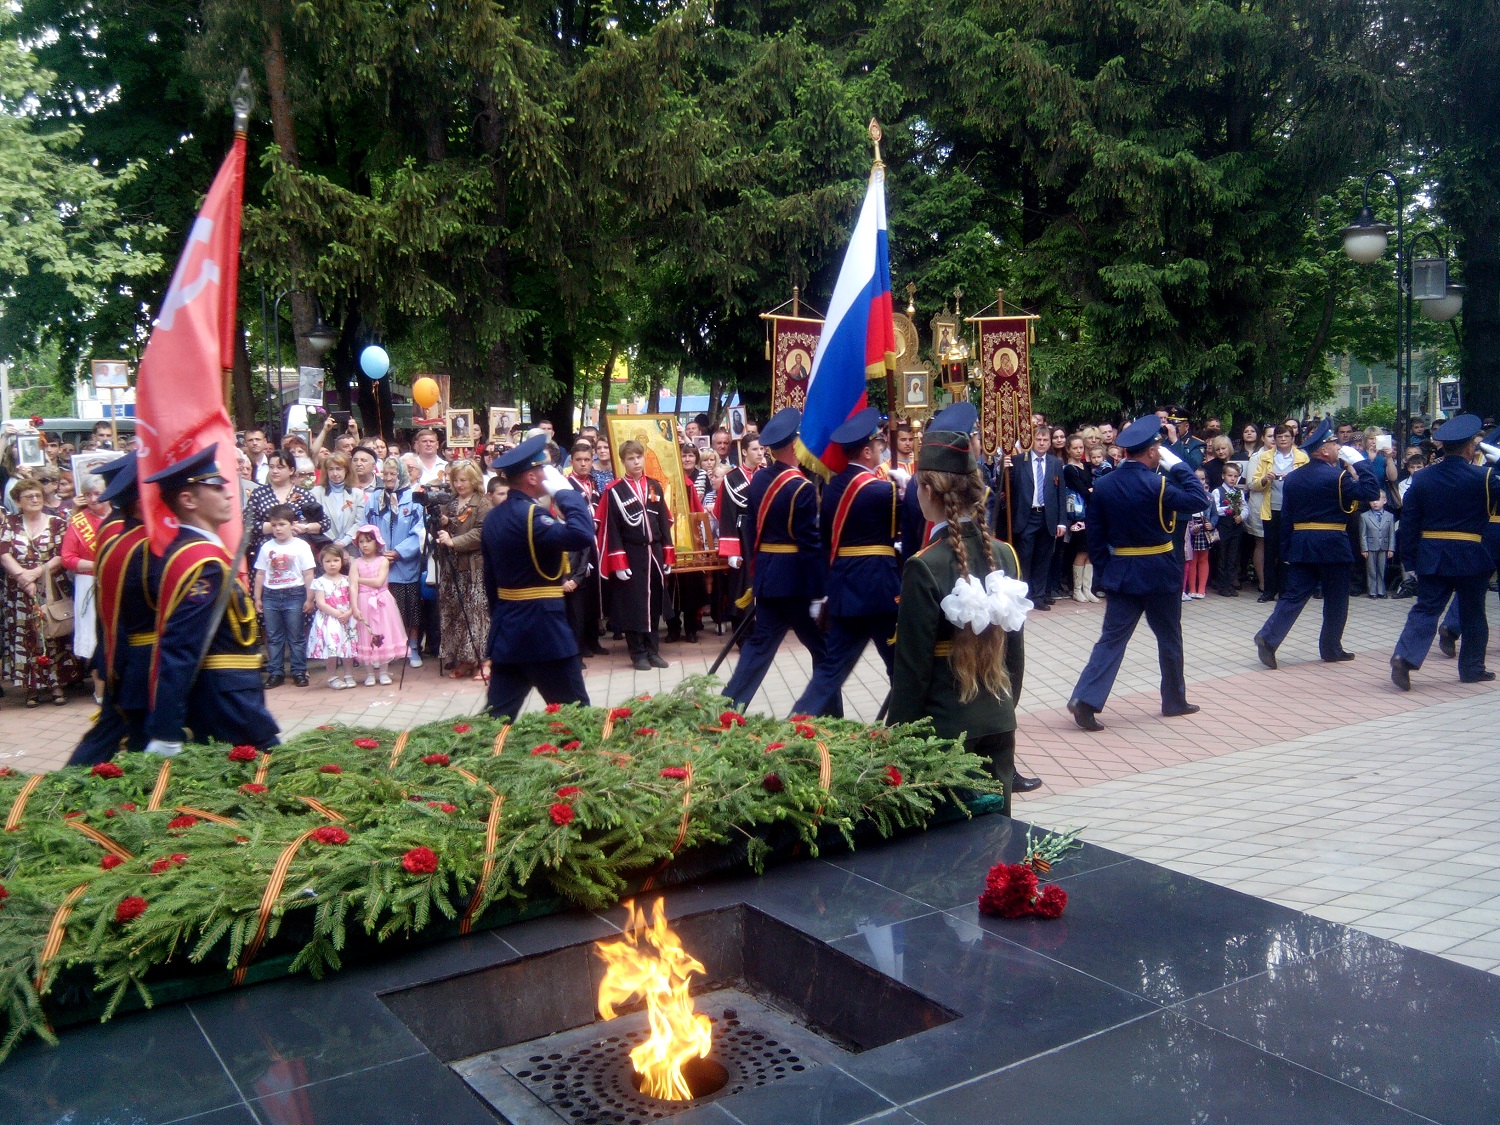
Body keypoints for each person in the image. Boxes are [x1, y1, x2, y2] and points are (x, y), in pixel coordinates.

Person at [888, 421, 1029, 812]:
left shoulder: (924, 565)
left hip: (944, 727)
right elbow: (1014, 654)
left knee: (951, 838)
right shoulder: (1005, 554)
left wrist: (897, 738)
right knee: (999, 830)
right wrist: (1003, 705)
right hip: (999, 718)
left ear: (928, 490)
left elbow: (912, 671)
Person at [1067, 416, 1212, 732]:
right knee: (1169, 637)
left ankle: (1085, 700)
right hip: (1160, 572)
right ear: (1151, 452)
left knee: (1111, 640)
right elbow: (1199, 499)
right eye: (1158, 449)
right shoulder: (1159, 485)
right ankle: (1174, 700)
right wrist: (1179, 466)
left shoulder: (1104, 484)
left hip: (1122, 572)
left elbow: (1096, 536)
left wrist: (1107, 571)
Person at [143, 446, 279, 755]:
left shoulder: (196, 551)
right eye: (216, 487)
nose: (228, 494)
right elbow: (181, 646)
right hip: (227, 702)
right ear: (188, 500)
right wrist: (166, 729)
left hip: (232, 694)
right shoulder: (202, 562)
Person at [793, 409, 901, 717]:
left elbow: (826, 539)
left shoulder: (832, 487)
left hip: (844, 589)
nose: (882, 450)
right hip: (881, 591)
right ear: (866, 452)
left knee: (830, 670)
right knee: (900, 667)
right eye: (878, 446)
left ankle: (797, 722)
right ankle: (904, 728)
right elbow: (900, 533)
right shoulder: (884, 491)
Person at [721, 408, 830, 711]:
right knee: (824, 652)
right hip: (796, 584)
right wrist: (819, 593)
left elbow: (752, 530)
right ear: (795, 445)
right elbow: (809, 544)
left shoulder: (758, 480)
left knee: (758, 648)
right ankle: (828, 715)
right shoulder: (801, 487)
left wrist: (757, 576)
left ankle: (727, 709)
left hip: (768, 578)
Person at [481, 434, 596, 719]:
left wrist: (501, 621)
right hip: (544, 632)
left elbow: (490, 581)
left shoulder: (494, 517)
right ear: (531, 477)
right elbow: (582, 534)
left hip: (509, 629)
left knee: (497, 717)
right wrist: (566, 493)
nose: (549, 475)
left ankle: (475, 749)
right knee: (576, 717)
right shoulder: (532, 516)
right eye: (544, 469)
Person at [1252, 420, 1379, 670]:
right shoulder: (1338, 477)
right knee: (1336, 598)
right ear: (1323, 451)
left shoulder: (1293, 478)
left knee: (1294, 596)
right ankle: (1331, 648)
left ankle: (1269, 637)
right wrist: (1361, 462)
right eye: (1333, 444)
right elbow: (1371, 492)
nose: (1337, 447)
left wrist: (1286, 550)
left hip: (1302, 544)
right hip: (1333, 544)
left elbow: (1287, 516)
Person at [1390, 413, 1494, 689]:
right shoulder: (1484, 477)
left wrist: (1410, 559)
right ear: (1470, 447)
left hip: (1432, 553)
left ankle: (1404, 657)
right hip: (1470, 555)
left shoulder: (1422, 478)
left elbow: (1409, 522)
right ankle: (1472, 669)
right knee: (1473, 614)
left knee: (1426, 608)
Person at [68, 455, 151, 763]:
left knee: (114, 729)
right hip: (128, 647)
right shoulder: (122, 532)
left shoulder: (112, 525)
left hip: (117, 644)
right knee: (116, 729)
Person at [0, 477, 80, 705]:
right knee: (25, 635)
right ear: (18, 501)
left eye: (38, 495)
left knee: (53, 632)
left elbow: (62, 555)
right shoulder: (10, 523)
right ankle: (31, 689)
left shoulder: (57, 523)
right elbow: (3, 552)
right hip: (18, 591)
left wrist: (36, 573)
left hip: (51, 586)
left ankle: (56, 685)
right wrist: (22, 577)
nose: (35, 499)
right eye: (29, 497)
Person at [597, 439, 675, 671]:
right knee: (633, 604)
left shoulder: (654, 486)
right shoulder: (615, 490)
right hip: (631, 552)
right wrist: (619, 562)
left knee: (654, 602)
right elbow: (611, 528)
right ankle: (638, 653)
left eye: (639, 457)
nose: (636, 462)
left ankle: (653, 651)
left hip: (654, 553)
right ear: (623, 462)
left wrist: (667, 554)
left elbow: (663, 522)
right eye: (631, 458)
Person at [364, 456, 425, 667]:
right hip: (379, 563)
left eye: (393, 474)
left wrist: (399, 552)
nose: (389, 478)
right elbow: (366, 527)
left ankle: (412, 648)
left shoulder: (414, 498)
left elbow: (420, 532)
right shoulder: (375, 498)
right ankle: (382, 650)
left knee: (410, 611)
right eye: (386, 474)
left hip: (404, 565)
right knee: (380, 611)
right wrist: (377, 551)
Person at [434, 459, 492, 679]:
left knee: (477, 614)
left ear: (474, 480)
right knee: (456, 614)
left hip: (474, 567)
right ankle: (465, 658)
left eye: (464, 480)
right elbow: (447, 528)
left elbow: (481, 533)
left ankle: (483, 660)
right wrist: (442, 523)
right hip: (451, 567)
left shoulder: (482, 503)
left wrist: (454, 541)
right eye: (456, 480)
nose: (459, 484)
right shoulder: (449, 503)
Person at [998, 424, 1067, 609]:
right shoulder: (1019, 460)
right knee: (1025, 556)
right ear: (1031, 441)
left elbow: (1060, 493)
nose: (1042, 443)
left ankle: (1039, 595)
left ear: (1050, 442)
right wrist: (1003, 468)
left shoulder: (1055, 463)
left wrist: (1062, 521)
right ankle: (1023, 593)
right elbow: (1005, 486)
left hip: (1047, 515)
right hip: (1027, 516)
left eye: (1045, 440)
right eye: (1038, 439)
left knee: (1044, 558)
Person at [254, 504, 317, 687]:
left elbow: (308, 574)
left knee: (296, 636)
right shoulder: (267, 547)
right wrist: (257, 598)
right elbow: (260, 574)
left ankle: (299, 671)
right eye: (274, 525)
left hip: (294, 593)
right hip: (271, 595)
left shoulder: (301, 546)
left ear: (292, 524)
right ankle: (276, 672)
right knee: (274, 637)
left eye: (282, 524)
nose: (278, 529)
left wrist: (309, 598)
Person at [61, 474, 111, 699]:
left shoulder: (120, 517)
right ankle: (99, 691)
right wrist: (97, 565)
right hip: (88, 583)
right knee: (93, 634)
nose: (92, 499)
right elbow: (67, 558)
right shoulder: (78, 522)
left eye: (97, 493)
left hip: (116, 580)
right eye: (88, 494)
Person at [1248, 424, 1307, 602]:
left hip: (1292, 510)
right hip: (1270, 509)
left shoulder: (1302, 457)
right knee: (1270, 551)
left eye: (1286, 436)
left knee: (1286, 551)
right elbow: (1254, 483)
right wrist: (1265, 479)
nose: (1282, 439)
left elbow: (1307, 482)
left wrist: (1293, 479)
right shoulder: (1265, 456)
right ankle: (1268, 590)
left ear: (1293, 438)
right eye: (1279, 436)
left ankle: (1285, 590)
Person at [351, 525, 406, 684]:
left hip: (382, 601)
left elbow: (378, 582)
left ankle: (383, 671)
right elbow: (352, 587)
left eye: (368, 541)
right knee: (366, 634)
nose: (365, 545)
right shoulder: (356, 563)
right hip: (363, 601)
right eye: (361, 542)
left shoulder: (383, 561)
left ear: (377, 542)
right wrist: (354, 606)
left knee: (384, 633)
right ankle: (369, 673)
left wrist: (357, 579)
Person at [308, 544, 360, 689]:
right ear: (321, 563)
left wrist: (350, 612)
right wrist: (337, 614)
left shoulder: (348, 580)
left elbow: (354, 598)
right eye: (328, 561)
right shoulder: (319, 582)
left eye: (336, 560)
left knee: (348, 647)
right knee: (331, 647)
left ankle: (349, 674)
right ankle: (332, 677)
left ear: (342, 561)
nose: (332, 564)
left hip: (347, 618)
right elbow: (320, 603)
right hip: (329, 619)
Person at [312, 453, 367, 549]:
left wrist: (344, 542)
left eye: (338, 469)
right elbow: (316, 521)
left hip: (350, 547)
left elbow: (360, 522)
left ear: (346, 471)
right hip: (324, 546)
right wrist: (333, 542)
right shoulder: (316, 493)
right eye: (331, 469)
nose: (335, 473)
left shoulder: (357, 494)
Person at [1211, 462, 1246, 597]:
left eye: (1235, 476)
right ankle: (1222, 585)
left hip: (1236, 527)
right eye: (1230, 475)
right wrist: (1229, 508)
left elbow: (1245, 507)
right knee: (1222, 556)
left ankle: (1230, 584)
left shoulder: (1239, 492)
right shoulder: (1217, 491)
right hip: (1223, 527)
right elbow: (1215, 509)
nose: (1232, 479)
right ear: (1223, 476)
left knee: (1233, 557)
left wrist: (1241, 516)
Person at [1362, 494, 1395, 598]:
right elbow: (1363, 534)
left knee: (1382, 569)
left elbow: (1391, 534)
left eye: (1377, 500)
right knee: (1371, 570)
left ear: (1384, 501)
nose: (1375, 502)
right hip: (1370, 546)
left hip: (1384, 546)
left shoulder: (1390, 516)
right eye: (1372, 500)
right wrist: (1364, 549)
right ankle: (1372, 591)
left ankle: (1381, 590)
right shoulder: (1364, 516)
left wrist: (1391, 548)